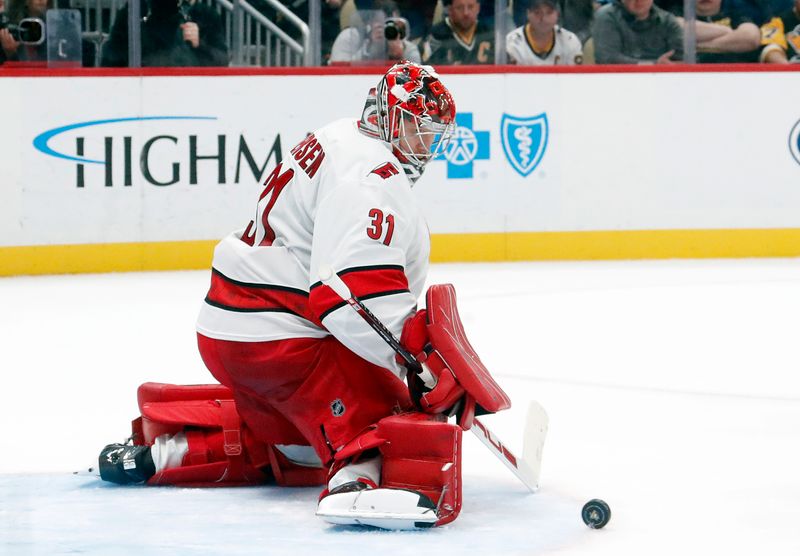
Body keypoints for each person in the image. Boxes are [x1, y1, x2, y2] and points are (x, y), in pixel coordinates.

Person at [97, 61, 511, 530]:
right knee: (386, 414)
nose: (429, 146)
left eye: (435, 135)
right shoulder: (370, 177)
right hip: (278, 337)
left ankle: (168, 454)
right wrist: (418, 364)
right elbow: (349, 294)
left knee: (292, 444)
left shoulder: (341, 137)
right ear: (393, 118)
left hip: (232, 330)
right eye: (422, 131)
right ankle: (355, 487)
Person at [101, 0, 228, 67]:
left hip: (192, 91)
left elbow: (222, 60)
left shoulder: (208, 15)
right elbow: (111, 58)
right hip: (144, 92)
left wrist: (199, 44)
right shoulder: (135, 11)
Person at [592, 0, 684, 63]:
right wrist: (653, 65)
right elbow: (608, 59)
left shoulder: (668, 22)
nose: (639, 0)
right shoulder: (606, 16)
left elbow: (681, 59)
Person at [670, 0, 762, 62]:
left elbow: (751, 37)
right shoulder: (674, 12)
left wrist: (694, 46)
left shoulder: (735, 13)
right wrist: (731, 34)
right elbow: (675, 27)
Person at [329, 2, 421, 63]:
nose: (389, 29)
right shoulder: (350, 38)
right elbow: (339, 72)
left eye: (394, 25)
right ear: (370, 23)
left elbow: (418, 81)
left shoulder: (408, 48)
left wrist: (400, 58)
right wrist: (370, 49)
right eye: (384, 25)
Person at [506, 0, 584, 64]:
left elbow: (574, 79)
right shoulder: (512, 42)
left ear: (557, 14)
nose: (543, 18)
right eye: (537, 12)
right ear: (528, 14)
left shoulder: (570, 41)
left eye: (549, 12)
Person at [423, 0, 494, 64]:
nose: (466, 13)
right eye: (459, 8)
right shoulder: (435, 36)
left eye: (471, 7)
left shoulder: (489, 34)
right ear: (450, 10)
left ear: (478, 8)